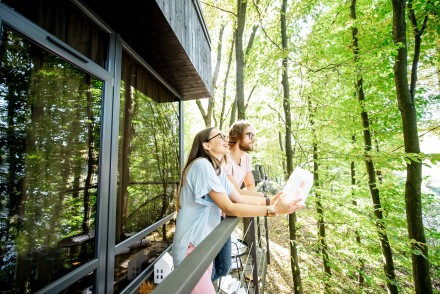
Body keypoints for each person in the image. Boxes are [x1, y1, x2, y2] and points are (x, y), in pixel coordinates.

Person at [172, 127, 305, 293]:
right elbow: (230, 207)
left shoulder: (217, 170)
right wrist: (272, 210)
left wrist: (270, 201)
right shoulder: (201, 165)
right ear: (206, 146)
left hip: (203, 247)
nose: (225, 138)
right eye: (219, 136)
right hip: (190, 250)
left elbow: (239, 197)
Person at [211, 120, 265, 282]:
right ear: (237, 136)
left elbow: (249, 185)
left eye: (253, 135)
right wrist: (263, 200)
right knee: (214, 266)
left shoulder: (246, 159)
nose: (253, 138)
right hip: (214, 215)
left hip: (229, 214)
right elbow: (236, 192)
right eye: (249, 135)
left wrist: (249, 199)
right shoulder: (224, 160)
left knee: (224, 267)